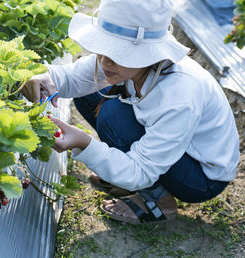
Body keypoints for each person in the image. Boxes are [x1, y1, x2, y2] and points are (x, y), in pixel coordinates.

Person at [22, 0, 240, 224]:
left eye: (117, 53)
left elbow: (141, 171)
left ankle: (159, 201)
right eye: (102, 49)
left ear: (148, 53)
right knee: (90, 94)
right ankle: (120, 171)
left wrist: (84, 144)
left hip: (201, 176)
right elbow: (73, 78)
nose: (105, 60)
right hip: (174, 151)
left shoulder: (179, 95)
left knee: (112, 116)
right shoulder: (132, 66)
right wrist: (43, 76)